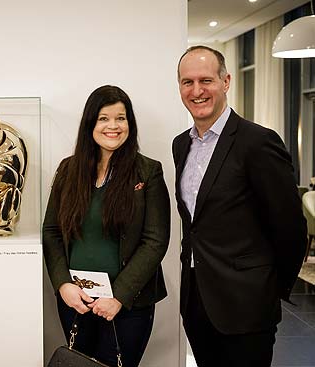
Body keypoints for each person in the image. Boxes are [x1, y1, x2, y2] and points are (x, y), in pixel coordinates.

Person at [173, 45, 307, 367]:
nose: (197, 90)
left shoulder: (258, 142)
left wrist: (266, 290)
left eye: (206, 80)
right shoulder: (181, 144)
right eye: (187, 82)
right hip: (196, 300)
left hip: (247, 307)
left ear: (226, 81)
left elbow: (290, 229)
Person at [43, 85, 170, 367]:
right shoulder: (68, 170)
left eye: (121, 118)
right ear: (91, 123)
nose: (113, 126)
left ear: (130, 123)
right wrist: (63, 284)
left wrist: (118, 296)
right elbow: (51, 231)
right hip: (77, 302)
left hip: (127, 305)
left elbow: (155, 240)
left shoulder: (148, 171)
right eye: (103, 118)